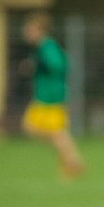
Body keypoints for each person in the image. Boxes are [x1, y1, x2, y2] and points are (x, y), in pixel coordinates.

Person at [20, 12, 85, 180]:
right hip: (43, 97)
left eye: (30, 28)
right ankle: (69, 158)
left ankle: (72, 162)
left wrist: (37, 64)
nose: (26, 31)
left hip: (51, 97)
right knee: (33, 129)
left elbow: (60, 64)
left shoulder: (47, 46)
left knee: (56, 132)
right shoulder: (40, 48)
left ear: (39, 29)